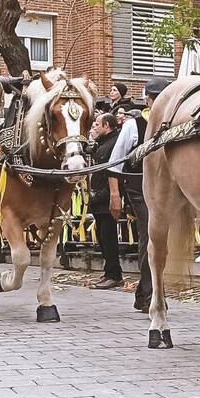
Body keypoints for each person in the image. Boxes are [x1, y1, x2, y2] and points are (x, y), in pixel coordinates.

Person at [111, 78, 169, 312]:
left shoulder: (173, 121)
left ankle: (142, 292)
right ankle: (149, 294)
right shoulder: (133, 125)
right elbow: (115, 163)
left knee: (159, 238)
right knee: (149, 236)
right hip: (138, 187)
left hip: (165, 187)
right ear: (149, 99)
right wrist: (115, 195)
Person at [87, 111, 124, 289]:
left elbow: (112, 171)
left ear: (106, 126)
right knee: (102, 238)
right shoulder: (101, 143)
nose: (94, 126)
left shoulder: (114, 143)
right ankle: (109, 271)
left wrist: (105, 194)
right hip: (97, 198)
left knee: (109, 238)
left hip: (106, 197)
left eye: (97, 124)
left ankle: (114, 274)